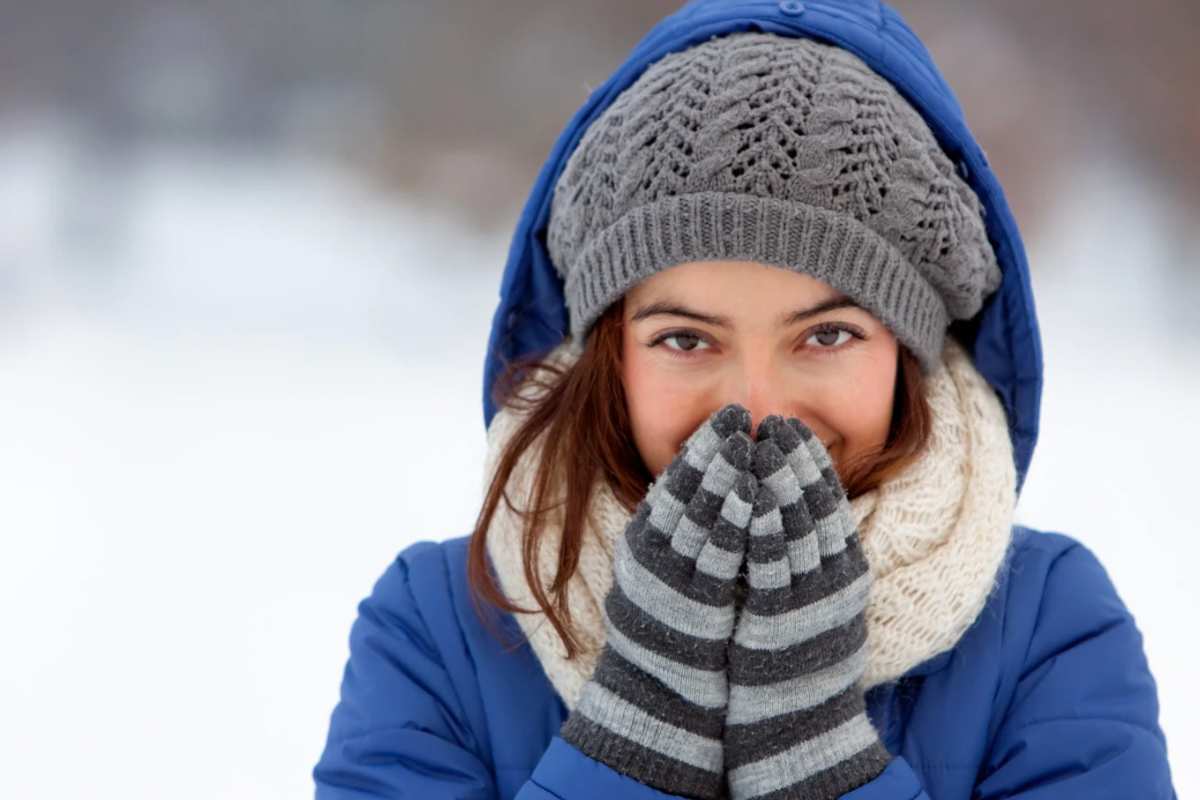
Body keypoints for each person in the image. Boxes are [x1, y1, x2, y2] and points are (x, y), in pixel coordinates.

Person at [312, 1, 1178, 798]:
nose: (758, 410)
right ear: (607, 356)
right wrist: (633, 744)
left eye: (827, 335)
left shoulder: (1045, 629)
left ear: (909, 355)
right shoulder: (440, 627)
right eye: (686, 340)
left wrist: (822, 766)